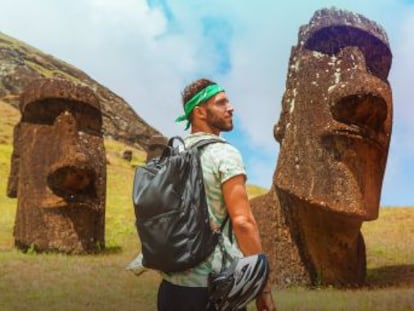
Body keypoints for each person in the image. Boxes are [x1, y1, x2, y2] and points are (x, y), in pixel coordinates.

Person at [156, 78, 277, 311]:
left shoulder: (171, 155)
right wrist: (262, 288)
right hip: (214, 289)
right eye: (221, 103)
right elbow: (243, 222)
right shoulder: (224, 154)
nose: (230, 108)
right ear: (200, 112)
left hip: (171, 288)